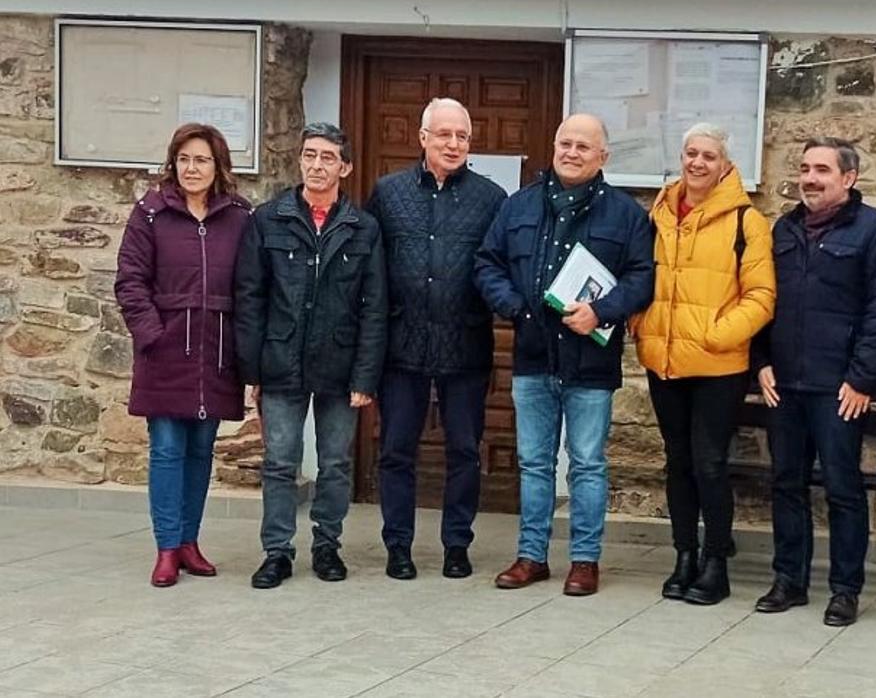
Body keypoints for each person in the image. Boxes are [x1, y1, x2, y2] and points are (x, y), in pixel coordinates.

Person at [475, 114, 654, 597]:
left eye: (583, 146)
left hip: (591, 362)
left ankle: (584, 561)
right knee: (534, 462)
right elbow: (487, 263)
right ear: (553, 147)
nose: (572, 152)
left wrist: (601, 311)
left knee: (588, 463)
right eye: (565, 143)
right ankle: (532, 556)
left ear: (603, 157)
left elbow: (642, 278)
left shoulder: (627, 214)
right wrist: (513, 305)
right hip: (533, 356)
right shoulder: (519, 206)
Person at [750, 137, 876, 625]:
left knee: (842, 489)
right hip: (785, 384)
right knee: (786, 484)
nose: (810, 178)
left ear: (849, 178)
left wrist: (862, 378)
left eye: (822, 169)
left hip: (840, 389)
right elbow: (761, 298)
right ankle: (789, 581)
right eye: (805, 168)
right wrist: (760, 361)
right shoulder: (785, 229)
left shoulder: (875, 230)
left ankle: (844, 589)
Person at [234, 122, 387, 589]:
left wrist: (365, 376)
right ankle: (277, 551)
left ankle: (327, 545)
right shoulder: (268, 219)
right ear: (300, 160)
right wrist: (251, 368)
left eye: (327, 157)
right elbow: (250, 297)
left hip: (340, 366)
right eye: (310, 155)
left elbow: (375, 307)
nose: (317, 165)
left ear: (345, 167)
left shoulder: (363, 229)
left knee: (336, 462)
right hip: (281, 363)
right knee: (280, 461)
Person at [632, 123, 775, 605]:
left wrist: (715, 335)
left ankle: (716, 562)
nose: (697, 163)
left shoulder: (745, 221)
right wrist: (639, 322)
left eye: (708, 156)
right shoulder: (658, 213)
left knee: (709, 463)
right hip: (664, 360)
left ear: (725, 164)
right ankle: (684, 555)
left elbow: (761, 296)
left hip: (717, 366)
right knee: (677, 463)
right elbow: (637, 275)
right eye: (691, 153)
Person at [367, 97, 506, 581]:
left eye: (462, 136)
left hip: (465, 346)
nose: (453, 144)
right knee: (396, 449)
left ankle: (456, 545)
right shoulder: (388, 193)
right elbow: (372, 269)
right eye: (443, 134)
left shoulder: (492, 198)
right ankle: (398, 546)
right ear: (423, 138)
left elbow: (501, 266)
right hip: (402, 346)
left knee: (465, 450)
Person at [115, 123, 252, 587]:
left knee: (201, 451)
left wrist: (243, 345)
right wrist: (153, 335)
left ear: (218, 167)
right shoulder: (150, 214)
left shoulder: (239, 216)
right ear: (173, 164)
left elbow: (250, 285)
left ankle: (190, 542)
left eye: (202, 160)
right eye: (185, 160)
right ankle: (167, 548)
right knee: (168, 449)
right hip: (165, 351)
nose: (192, 169)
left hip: (216, 352)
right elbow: (130, 282)